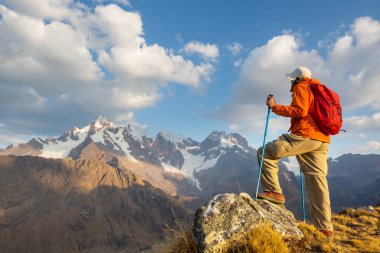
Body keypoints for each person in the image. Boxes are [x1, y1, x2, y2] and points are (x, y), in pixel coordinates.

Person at [256, 66, 333, 237]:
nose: (291, 82)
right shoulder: (317, 89)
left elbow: (300, 110)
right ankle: (324, 228)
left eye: (292, 79)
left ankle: (274, 192)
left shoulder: (302, 87)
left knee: (265, 153)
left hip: (306, 136)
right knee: (317, 181)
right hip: (322, 140)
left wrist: (275, 107)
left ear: (298, 78)